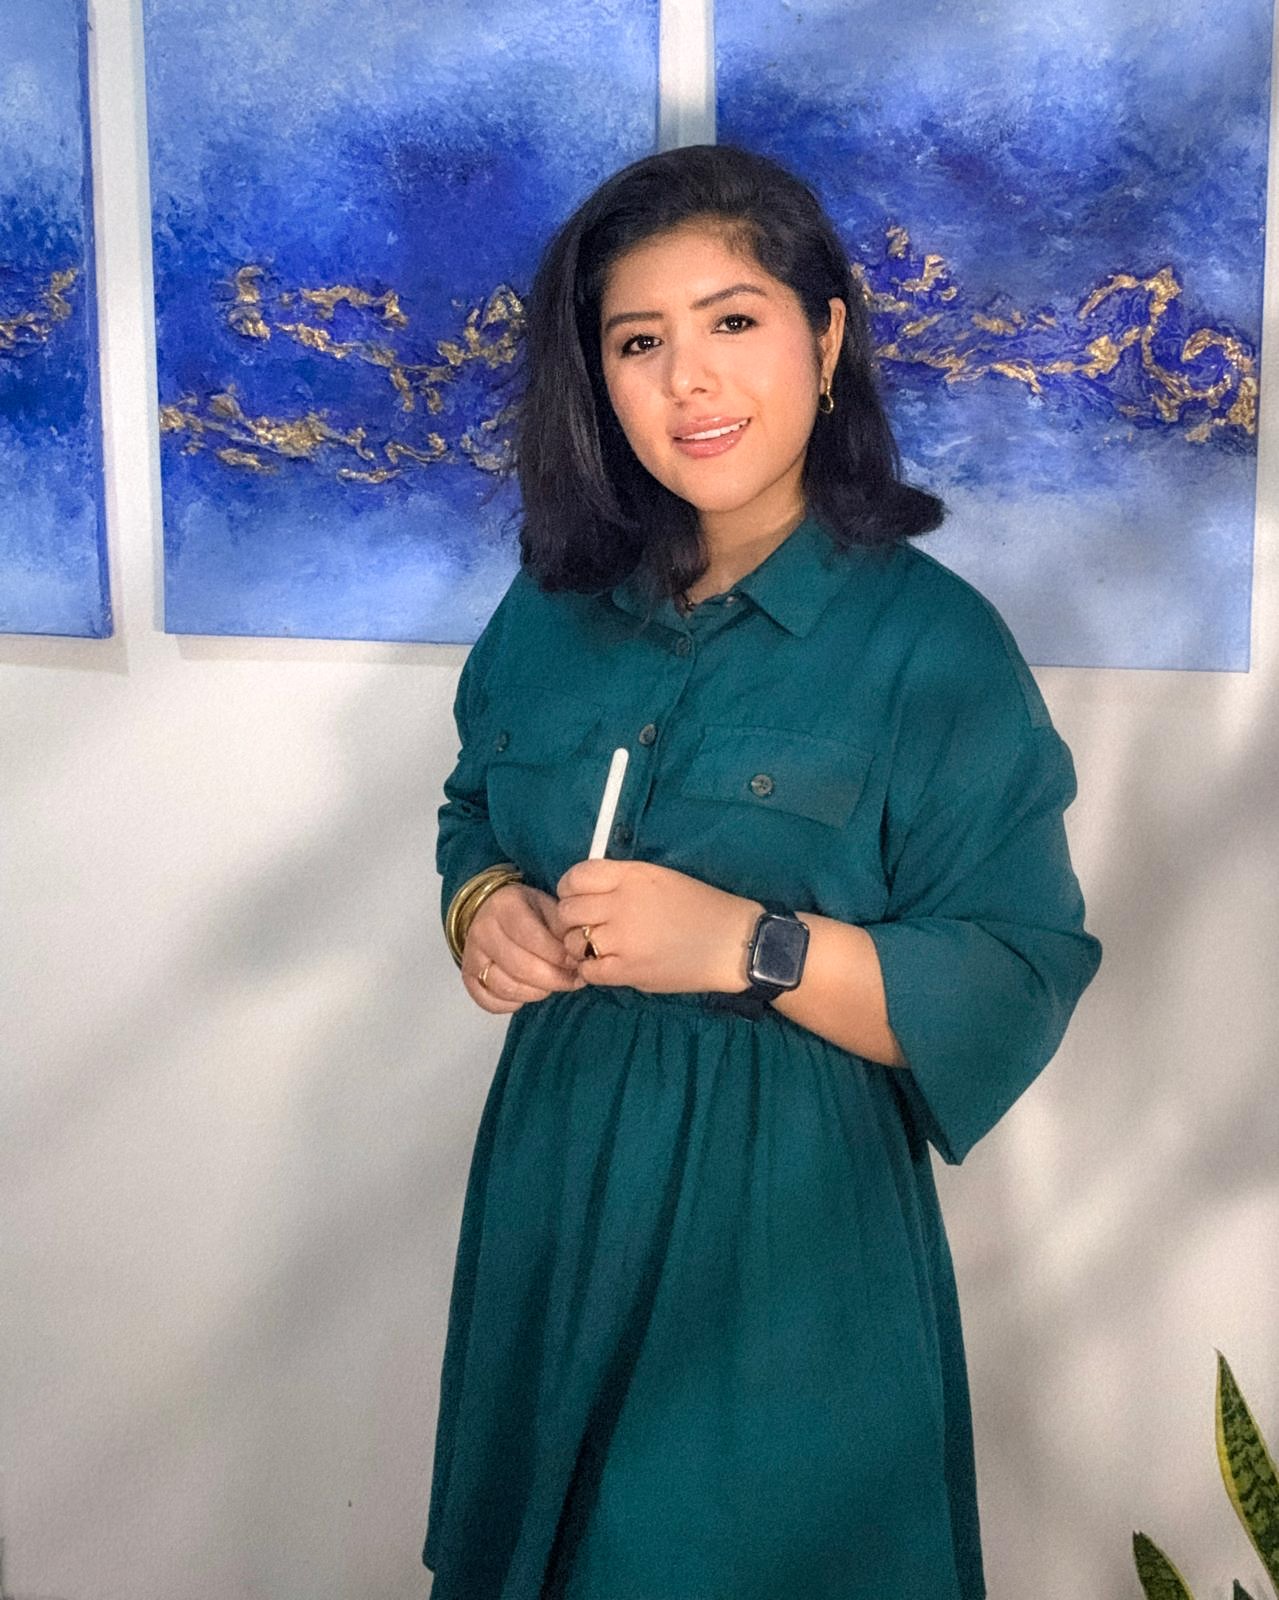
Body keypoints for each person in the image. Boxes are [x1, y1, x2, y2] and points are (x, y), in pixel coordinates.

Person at [423, 143, 1102, 1600]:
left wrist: (750, 944)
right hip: (555, 1199)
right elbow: (475, 806)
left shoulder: (934, 647)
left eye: (733, 320)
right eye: (639, 342)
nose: (692, 381)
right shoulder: (550, 610)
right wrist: (486, 909)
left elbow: (1017, 974)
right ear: (597, 378)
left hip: (784, 1253)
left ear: (826, 336)